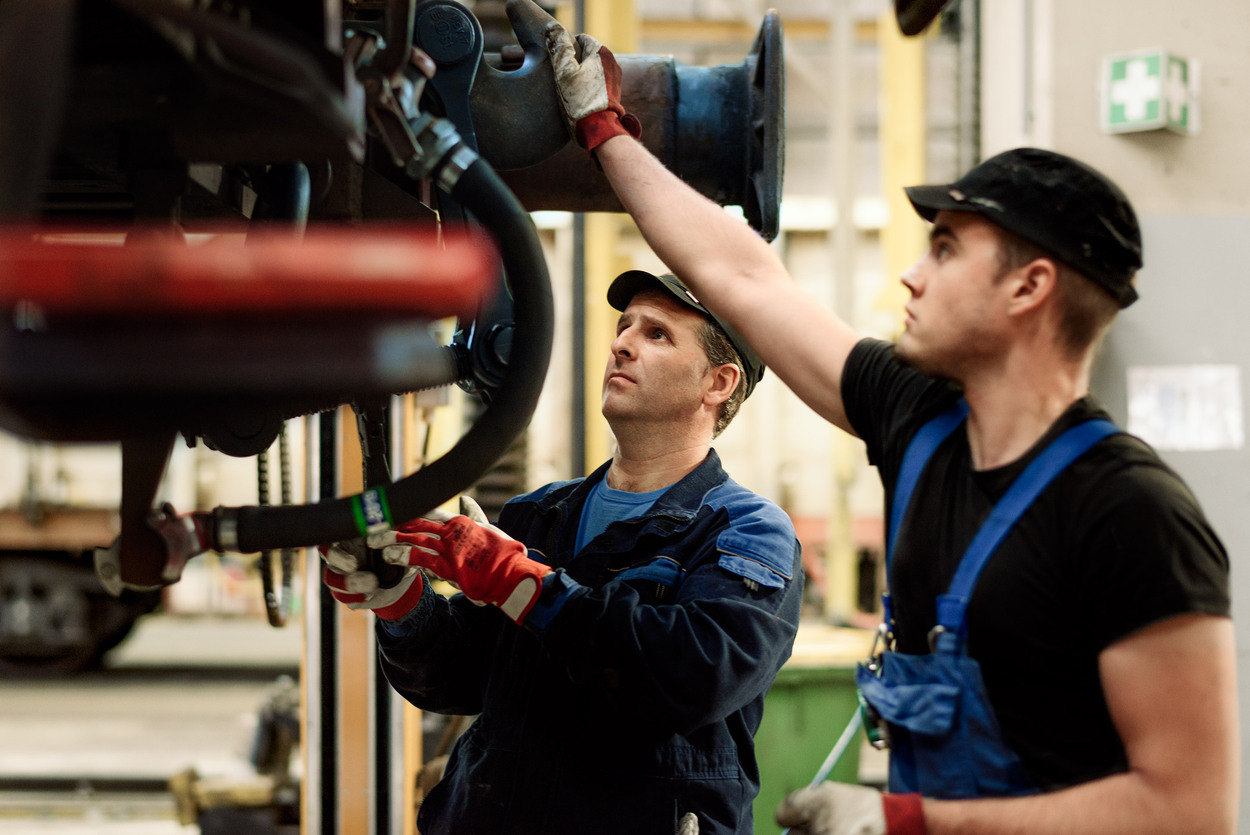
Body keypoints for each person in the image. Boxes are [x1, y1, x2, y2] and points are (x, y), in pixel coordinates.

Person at [538, 22, 1238, 835]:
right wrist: (603, 131)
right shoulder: (918, 420)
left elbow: (1191, 808)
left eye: (944, 249)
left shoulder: (1131, 513)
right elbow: (739, 275)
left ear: (1029, 287)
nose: (910, 271)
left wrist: (913, 820)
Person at [320, 270, 804, 835]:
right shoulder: (542, 514)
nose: (621, 343)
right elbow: (459, 678)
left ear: (718, 383)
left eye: (658, 335)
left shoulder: (745, 532)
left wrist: (521, 583)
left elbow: (692, 679)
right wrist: (401, 603)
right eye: (624, 327)